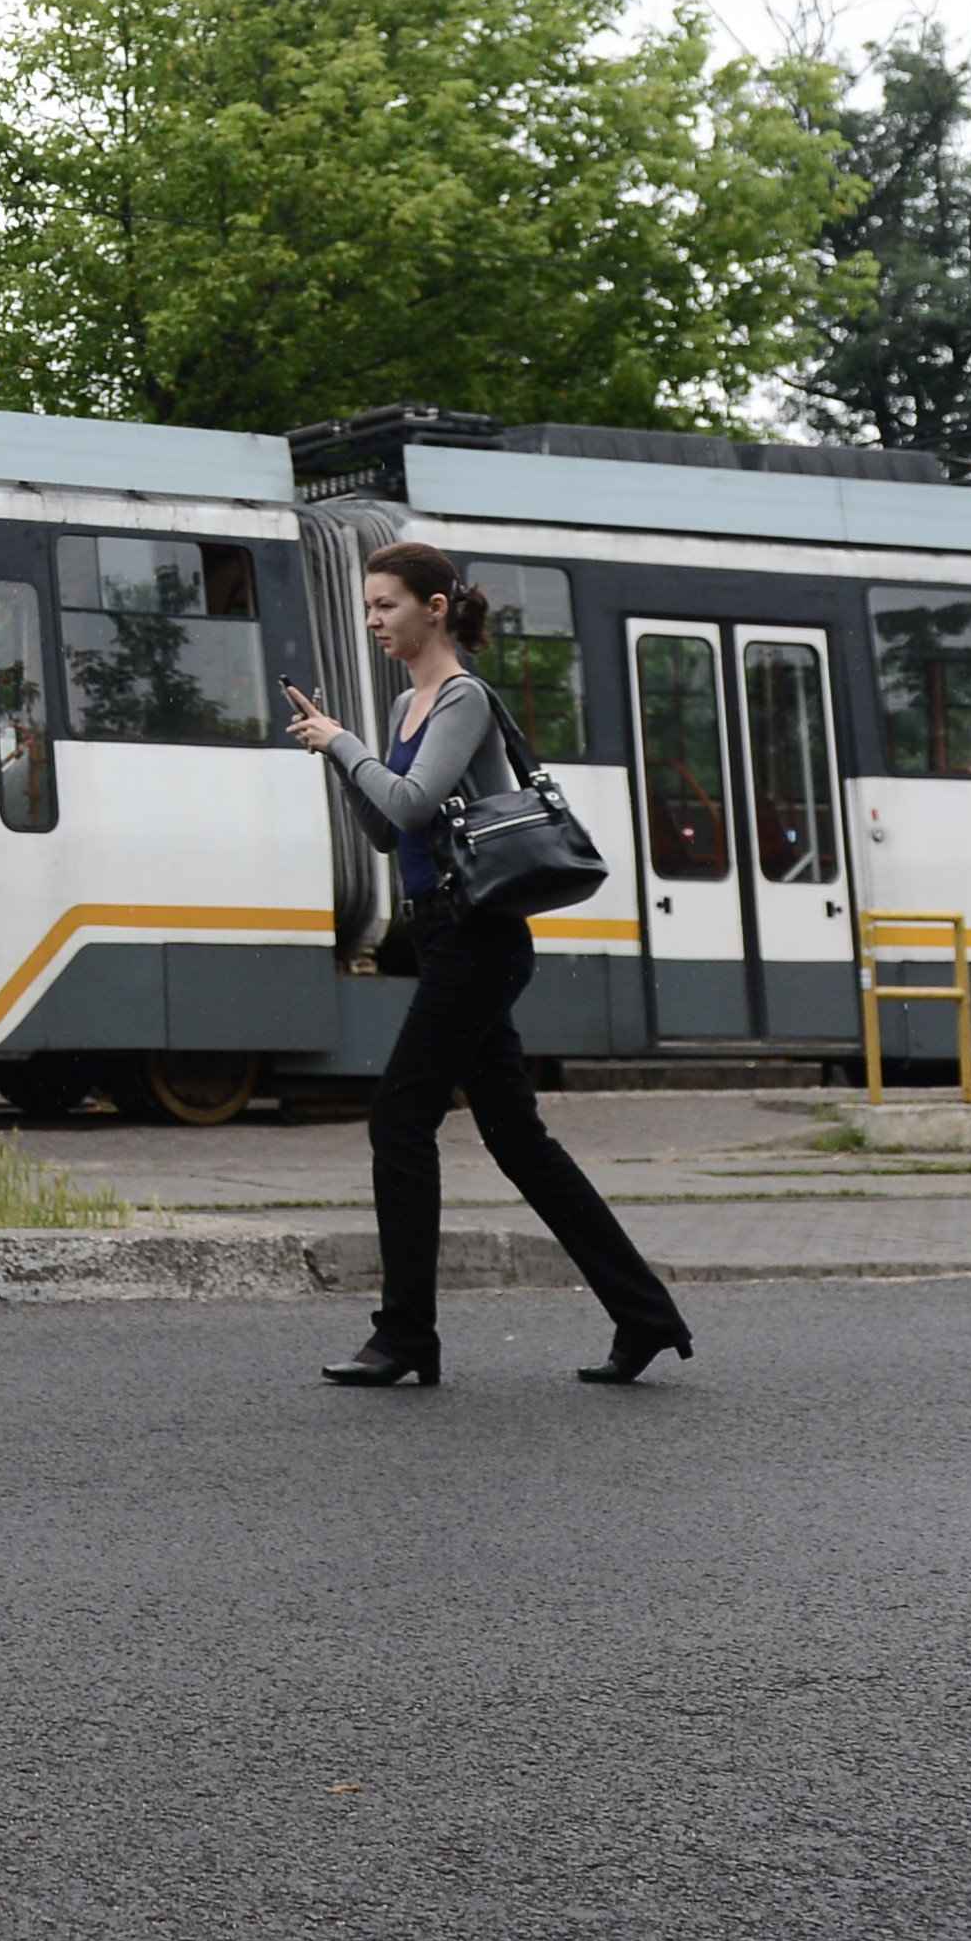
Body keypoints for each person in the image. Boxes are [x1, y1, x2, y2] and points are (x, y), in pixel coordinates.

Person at [280, 542, 693, 1389]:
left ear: (435, 608)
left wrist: (344, 741)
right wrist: (341, 755)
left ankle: (404, 1337)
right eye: (367, 607)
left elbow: (414, 800)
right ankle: (646, 1317)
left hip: (480, 941)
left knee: (399, 1121)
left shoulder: (460, 697)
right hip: (440, 934)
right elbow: (387, 830)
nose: (373, 621)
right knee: (519, 1141)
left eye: (386, 605)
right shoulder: (405, 706)